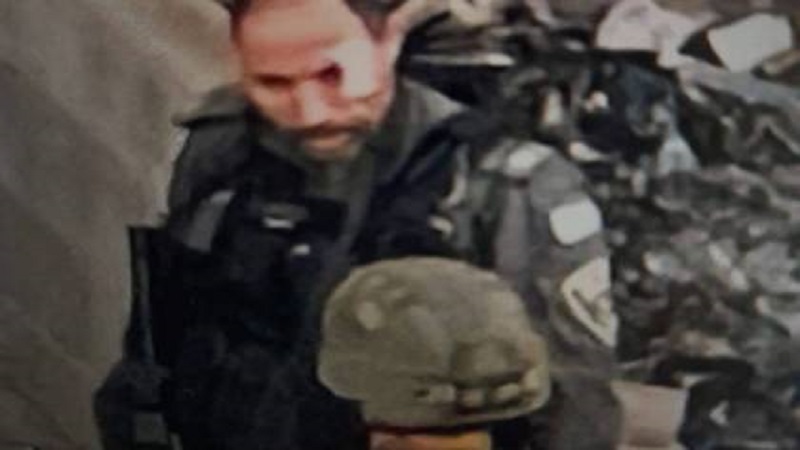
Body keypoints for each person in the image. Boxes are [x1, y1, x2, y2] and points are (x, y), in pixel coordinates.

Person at [95, 0, 621, 449]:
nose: (308, 111)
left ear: (387, 42)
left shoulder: (501, 185)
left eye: (331, 75)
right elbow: (172, 333)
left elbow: (574, 409)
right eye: (273, 82)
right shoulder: (221, 151)